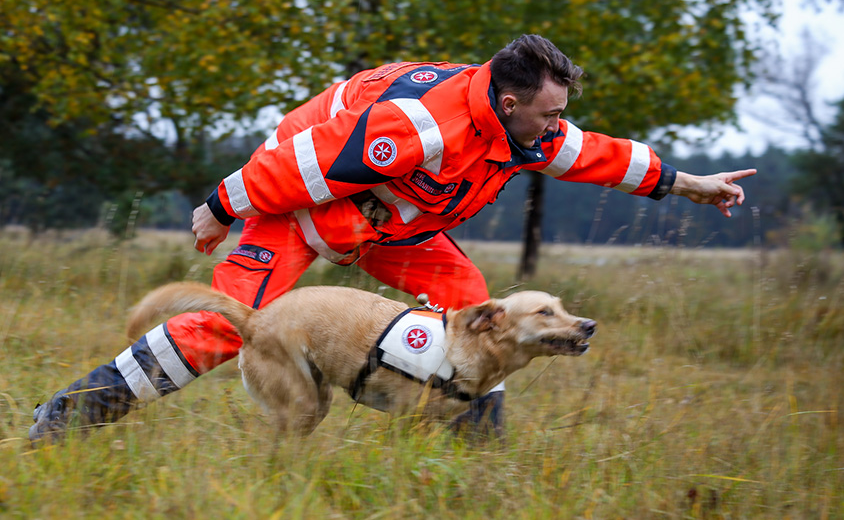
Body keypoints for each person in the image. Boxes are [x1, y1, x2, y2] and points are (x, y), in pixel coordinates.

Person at [29, 34, 756, 444]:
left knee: (476, 306)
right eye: (550, 111)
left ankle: (476, 447)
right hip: (296, 204)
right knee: (222, 327)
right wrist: (222, 204)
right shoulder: (422, 125)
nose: (558, 122)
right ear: (509, 103)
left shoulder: (525, 127)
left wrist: (691, 183)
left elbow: (599, 154)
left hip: (389, 224)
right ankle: (69, 415)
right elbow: (300, 166)